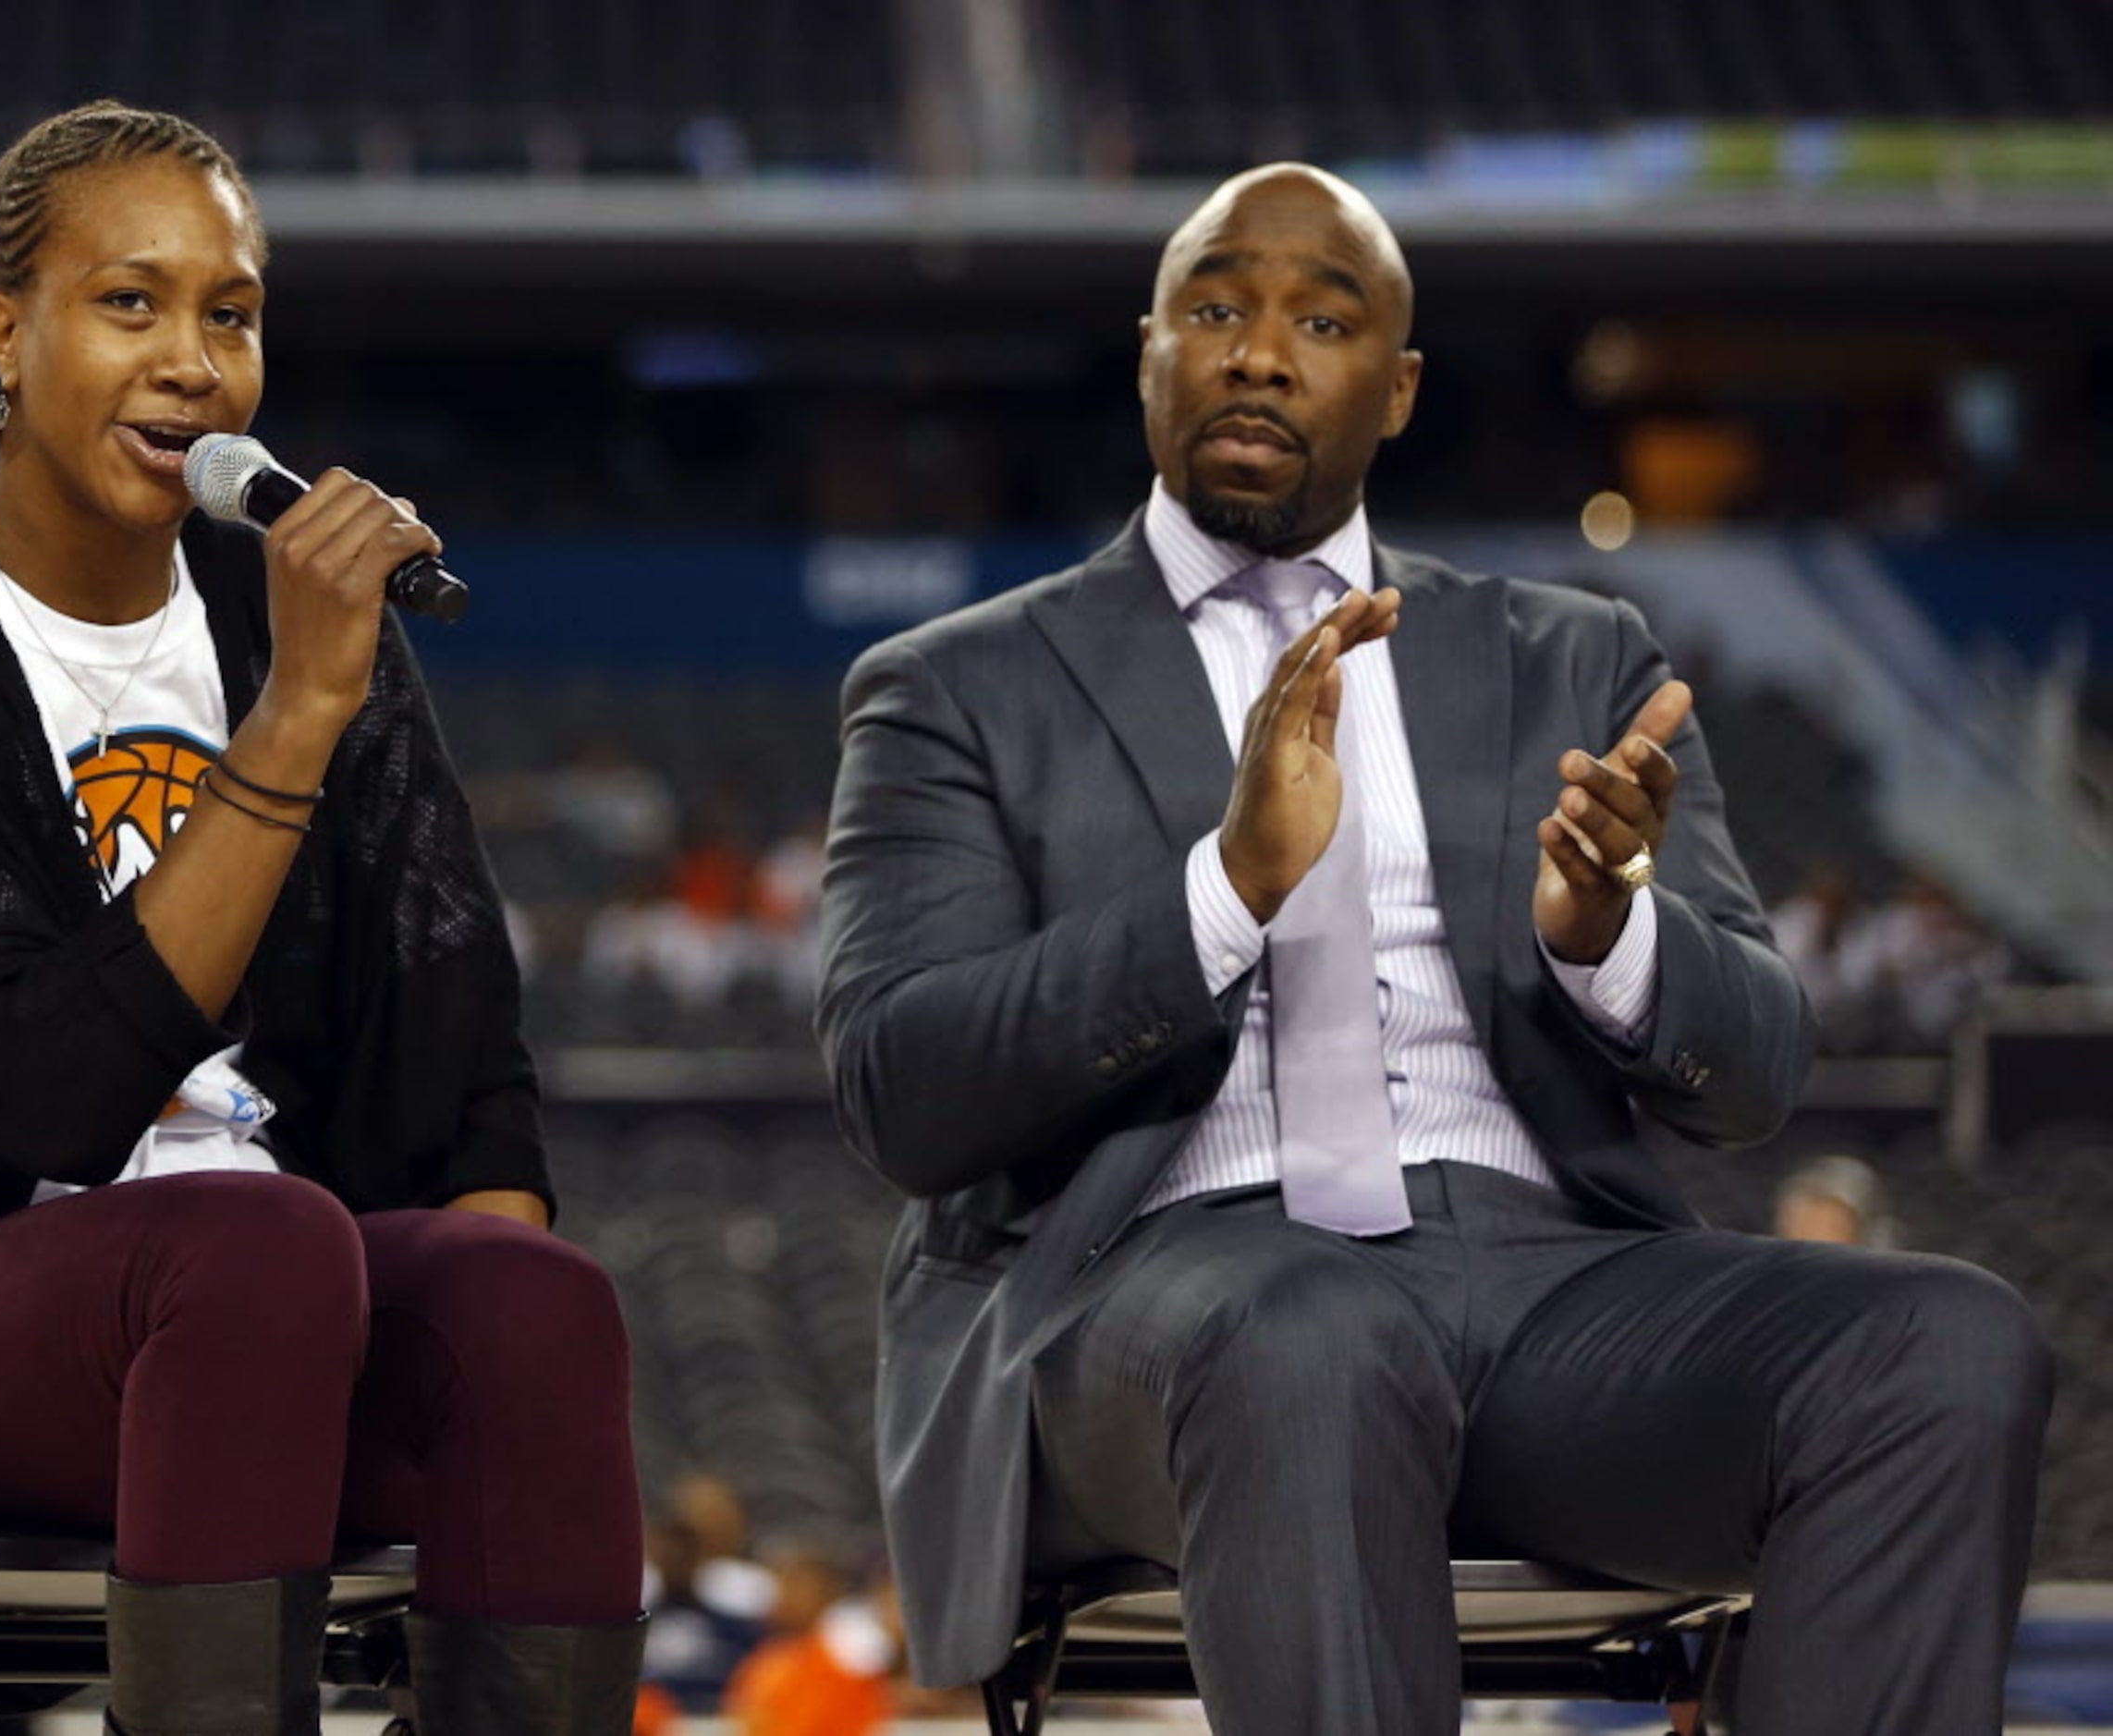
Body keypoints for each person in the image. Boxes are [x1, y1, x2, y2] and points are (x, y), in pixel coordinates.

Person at [814, 163, 2051, 1735]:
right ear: (1150, 354)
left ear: (1393, 390)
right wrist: (1225, 886)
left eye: (1320, 321)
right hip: (1149, 1299)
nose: (1259, 352)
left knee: (1938, 1344)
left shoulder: (1573, 654)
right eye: (1215, 310)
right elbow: (901, 1092)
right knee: (1314, 1333)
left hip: (1545, 1295)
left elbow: (1752, 1076)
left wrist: (1609, 938)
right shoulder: (952, 685)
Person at [0, 103, 642, 1736]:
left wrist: (469, 1392)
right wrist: (288, 724)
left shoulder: (303, 634)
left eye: (232, 311)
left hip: (263, 1318)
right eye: (131, 302)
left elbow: (459, 1052)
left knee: (534, 1304)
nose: (195, 361)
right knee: (257, 1243)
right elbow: (48, 1093)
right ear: (6, 334)